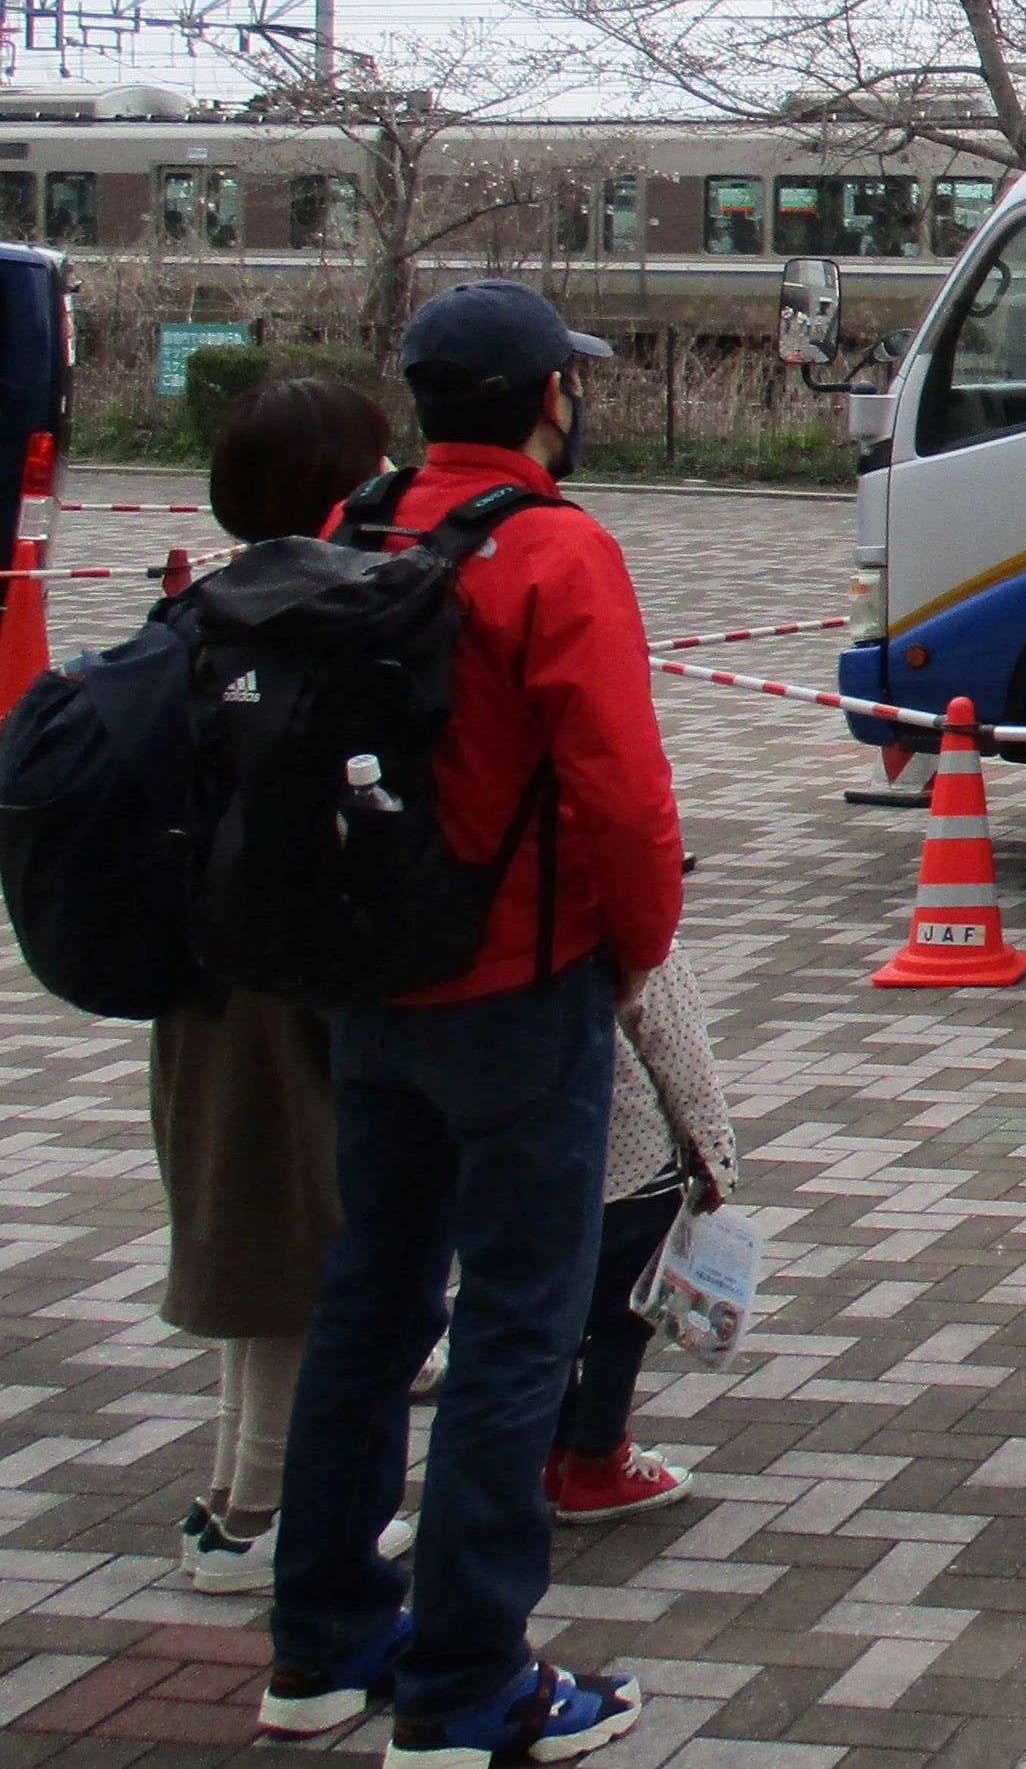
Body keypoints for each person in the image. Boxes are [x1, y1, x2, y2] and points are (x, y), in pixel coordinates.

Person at [259, 281, 681, 1764]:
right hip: (521, 988)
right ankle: (467, 1685)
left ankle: (317, 1645)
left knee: (370, 1307)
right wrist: (637, 952)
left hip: (372, 979)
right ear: (542, 399)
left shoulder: (359, 530)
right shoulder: (553, 549)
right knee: (517, 1327)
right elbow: (622, 793)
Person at [157, 379, 391, 1594]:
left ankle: (230, 1497)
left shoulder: (198, 614)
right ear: (340, 490)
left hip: (195, 974)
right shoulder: (318, 618)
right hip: (283, 974)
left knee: (256, 1231)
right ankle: (266, 1517)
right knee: (309, 1245)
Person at [543, 945, 738, 1524]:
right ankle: (597, 1460)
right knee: (621, 1317)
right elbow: (679, 1055)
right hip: (624, 1157)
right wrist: (714, 1154)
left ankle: (556, 1448)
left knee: (541, 1312)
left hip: (514, 1156)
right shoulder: (634, 932)